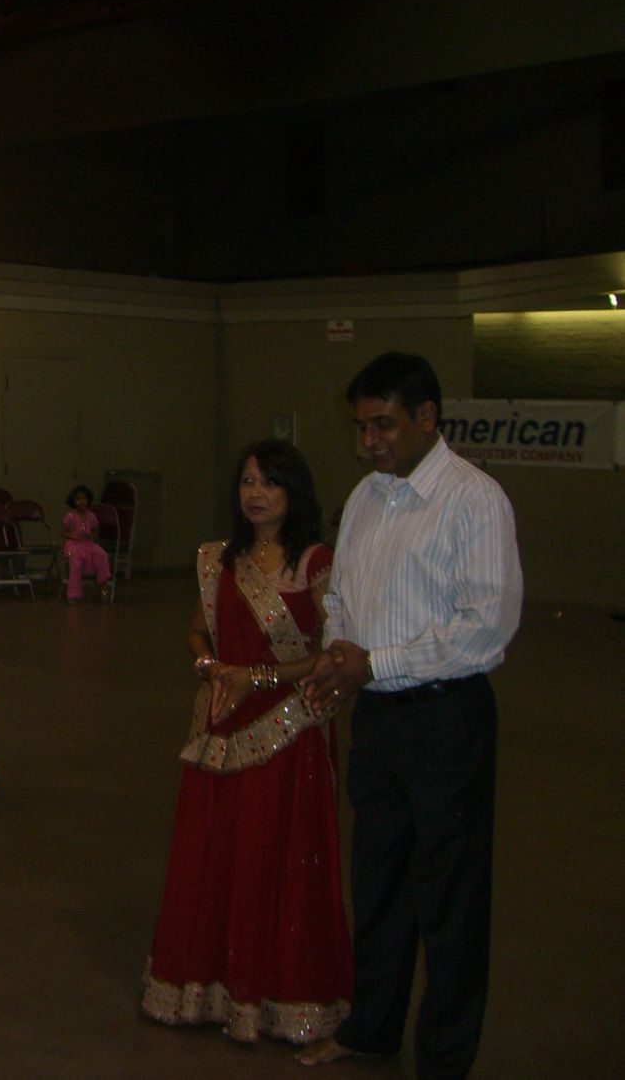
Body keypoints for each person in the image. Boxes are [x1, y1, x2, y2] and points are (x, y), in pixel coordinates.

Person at [298, 353, 522, 1078]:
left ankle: (444, 1061)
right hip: (380, 720)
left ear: (427, 417)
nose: (370, 441)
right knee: (379, 881)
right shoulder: (367, 496)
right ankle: (371, 1028)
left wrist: (375, 663)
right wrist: (341, 656)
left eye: (384, 424)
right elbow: (343, 597)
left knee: (450, 896)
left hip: (446, 719)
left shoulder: (474, 499)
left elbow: (485, 629)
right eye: (362, 426)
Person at [143, 438, 352, 1044]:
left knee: (277, 862)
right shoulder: (220, 559)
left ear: (294, 492)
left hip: (289, 729)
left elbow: (333, 653)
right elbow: (196, 634)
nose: (256, 494)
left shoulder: (315, 562)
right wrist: (212, 668)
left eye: (270, 483)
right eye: (247, 482)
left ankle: (279, 998)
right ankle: (206, 991)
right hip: (223, 727)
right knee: (218, 857)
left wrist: (254, 677)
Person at [60, 484, 110, 603]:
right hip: (73, 545)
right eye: (78, 499)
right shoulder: (70, 516)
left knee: (101, 555)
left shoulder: (91, 516)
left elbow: (96, 530)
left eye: (84, 499)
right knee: (75, 563)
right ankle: (73, 595)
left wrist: (92, 535)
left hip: (88, 543)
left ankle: (103, 587)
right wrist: (73, 536)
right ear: (74, 501)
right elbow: (62, 531)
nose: (82, 502)